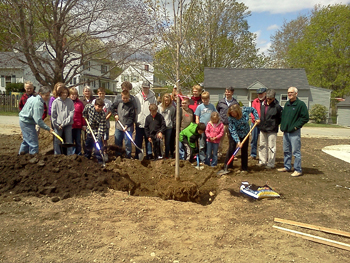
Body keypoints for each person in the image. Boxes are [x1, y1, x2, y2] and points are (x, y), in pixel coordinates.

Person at [278, 87, 309, 177]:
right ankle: (287, 167)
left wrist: (296, 127)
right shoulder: (287, 104)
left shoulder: (300, 104)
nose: (289, 94)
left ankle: (298, 169)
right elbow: (283, 116)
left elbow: (305, 118)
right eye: (288, 93)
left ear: (296, 93)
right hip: (286, 132)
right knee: (286, 151)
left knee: (296, 152)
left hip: (294, 132)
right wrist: (282, 126)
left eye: (291, 92)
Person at [18, 86, 53, 154]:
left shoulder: (33, 97)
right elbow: (38, 120)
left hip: (24, 121)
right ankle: (34, 161)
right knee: (34, 144)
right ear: (40, 94)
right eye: (46, 95)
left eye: (48, 95)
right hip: (27, 122)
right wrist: (48, 128)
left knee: (26, 141)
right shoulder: (38, 103)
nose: (47, 97)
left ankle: (20, 157)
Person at [225, 104, 260, 173]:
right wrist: (238, 141)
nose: (233, 114)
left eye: (234, 113)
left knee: (244, 150)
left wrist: (257, 118)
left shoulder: (244, 110)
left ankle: (244, 168)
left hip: (245, 133)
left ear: (238, 111)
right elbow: (232, 130)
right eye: (231, 113)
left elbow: (253, 109)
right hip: (235, 133)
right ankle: (228, 165)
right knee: (231, 148)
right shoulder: (230, 118)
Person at [258, 89, 282, 169]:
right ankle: (262, 161)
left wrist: (274, 124)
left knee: (271, 147)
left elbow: (280, 118)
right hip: (262, 128)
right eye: (267, 98)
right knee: (262, 145)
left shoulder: (277, 107)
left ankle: (270, 163)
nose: (268, 100)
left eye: (270, 99)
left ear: (274, 98)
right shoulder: (262, 104)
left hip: (272, 129)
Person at [135, 81, 157, 160]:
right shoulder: (137, 97)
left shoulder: (152, 97)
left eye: (147, 87)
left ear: (149, 87)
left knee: (148, 139)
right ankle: (138, 154)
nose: (145, 89)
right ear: (142, 87)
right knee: (138, 139)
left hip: (149, 123)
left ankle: (149, 154)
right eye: (144, 87)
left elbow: (155, 108)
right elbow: (135, 109)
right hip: (139, 122)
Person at [112, 89, 136, 159]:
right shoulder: (118, 102)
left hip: (128, 127)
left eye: (126, 98)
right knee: (118, 141)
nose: (125, 99)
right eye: (123, 98)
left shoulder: (131, 105)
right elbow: (112, 108)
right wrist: (115, 114)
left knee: (127, 142)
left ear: (129, 97)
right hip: (119, 126)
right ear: (121, 97)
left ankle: (128, 155)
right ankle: (118, 155)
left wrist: (127, 125)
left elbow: (131, 117)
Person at [51, 86, 75, 155]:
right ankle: (57, 155)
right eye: (63, 93)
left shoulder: (70, 101)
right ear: (60, 93)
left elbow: (71, 114)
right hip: (58, 125)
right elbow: (53, 115)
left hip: (68, 124)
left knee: (69, 141)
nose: (64, 94)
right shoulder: (55, 102)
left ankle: (70, 155)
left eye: (66, 93)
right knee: (57, 141)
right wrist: (56, 124)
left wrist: (64, 124)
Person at [194, 91, 217, 164]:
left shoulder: (212, 106)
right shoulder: (199, 107)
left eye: (206, 99)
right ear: (201, 99)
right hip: (202, 129)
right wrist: (198, 125)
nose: (205, 101)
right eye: (203, 99)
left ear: (209, 98)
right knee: (202, 144)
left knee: (209, 144)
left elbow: (215, 115)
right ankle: (202, 159)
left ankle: (208, 157)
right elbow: (197, 117)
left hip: (210, 128)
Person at [83, 98, 107, 164]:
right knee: (88, 145)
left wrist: (98, 137)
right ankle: (86, 158)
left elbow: (102, 126)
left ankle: (100, 161)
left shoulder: (102, 114)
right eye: (98, 106)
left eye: (101, 107)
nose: (99, 108)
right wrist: (84, 116)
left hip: (97, 130)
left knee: (98, 146)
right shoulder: (89, 107)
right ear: (95, 105)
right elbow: (84, 113)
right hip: (90, 130)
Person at [216, 86, 238, 157]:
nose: (227, 93)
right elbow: (217, 111)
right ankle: (219, 153)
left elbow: (237, 113)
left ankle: (232, 154)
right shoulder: (221, 102)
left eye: (228, 92)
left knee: (232, 140)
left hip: (231, 124)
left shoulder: (235, 102)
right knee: (219, 140)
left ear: (232, 93)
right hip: (222, 123)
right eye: (226, 91)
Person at [250, 87, 266, 160]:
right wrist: (255, 119)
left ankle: (263, 155)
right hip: (255, 123)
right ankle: (253, 154)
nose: (260, 95)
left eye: (261, 94)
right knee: (254, 139)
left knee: (263, 140)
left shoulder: (267, 101)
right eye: (259, 94)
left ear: (265, 93)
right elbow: (252, 111)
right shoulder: (255, 101)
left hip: (264, 124)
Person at [158, 93, 176, 159]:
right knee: (160, 142)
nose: (166, 102)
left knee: (167, 142)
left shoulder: (172, 108)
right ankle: (160, 154)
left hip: (169, 127)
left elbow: (172, 117)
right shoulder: (159, 107)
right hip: (161, 127)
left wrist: (171, 123)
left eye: (168, 100)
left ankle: (167, 155)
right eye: (165, 100)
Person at [69, 87, 86, 155]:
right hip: (70, 126)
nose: (73, 96)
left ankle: (79, 153)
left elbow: (83, 115)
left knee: (78, 141)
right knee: (70, 141)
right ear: (69, 95)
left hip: (78, 125)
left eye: (75, 94)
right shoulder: (67, 102)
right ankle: (72, 154)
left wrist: (83, 124)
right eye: (72, 94)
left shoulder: (80, 103)